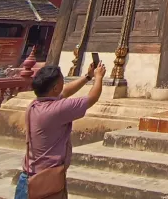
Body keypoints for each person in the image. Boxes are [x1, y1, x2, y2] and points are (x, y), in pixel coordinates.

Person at [14, 60, 106, 199]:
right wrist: (99, 77)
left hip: (28, 179)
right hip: (45, 181)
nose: (64, 84)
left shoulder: (35, 105)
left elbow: (65, 91)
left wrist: (88, 76)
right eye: (62, 81)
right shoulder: (57, 109)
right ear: (55, 88)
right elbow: (92, 97)